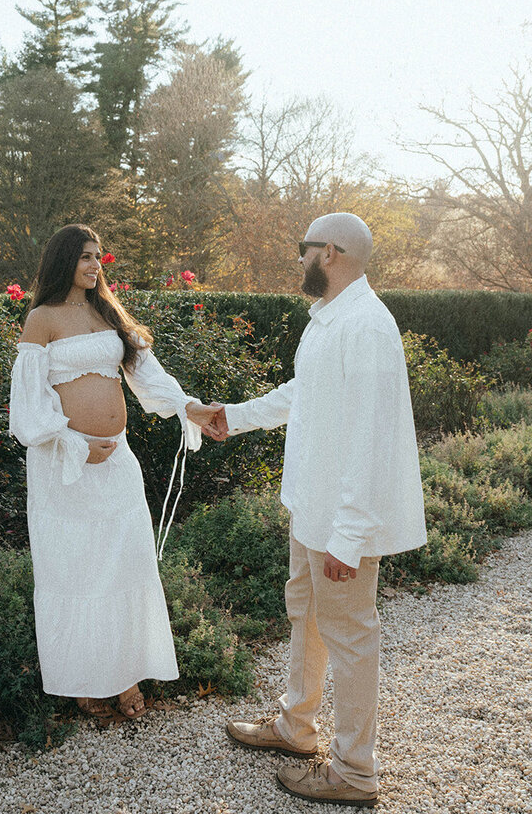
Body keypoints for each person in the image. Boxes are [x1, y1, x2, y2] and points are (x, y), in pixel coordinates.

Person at [208, 213, 426, 808]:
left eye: (303, 251)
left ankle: (355, 771)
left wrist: (349, 536)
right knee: (305, 615)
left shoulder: (368, 326)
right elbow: (303, 396)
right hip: (311, 506)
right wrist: (237, 414)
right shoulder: (326, 321)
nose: (298, 261)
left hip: (340, 521)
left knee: (351, 636)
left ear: (328, 253)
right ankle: (295, 727)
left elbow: (371, 438)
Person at [9, 224, 220, 720]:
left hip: (117, 461)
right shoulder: (41, 320)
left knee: (123, 564)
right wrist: (73, 444)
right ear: (64, 261)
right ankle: (86, 677)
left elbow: (146, 372)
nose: (94, 265)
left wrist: (189, 407)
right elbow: (27, 406)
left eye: (98, 257)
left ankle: (125, 675)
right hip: (66, 466)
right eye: (85, 257)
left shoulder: (106, 312)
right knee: (78, 570)